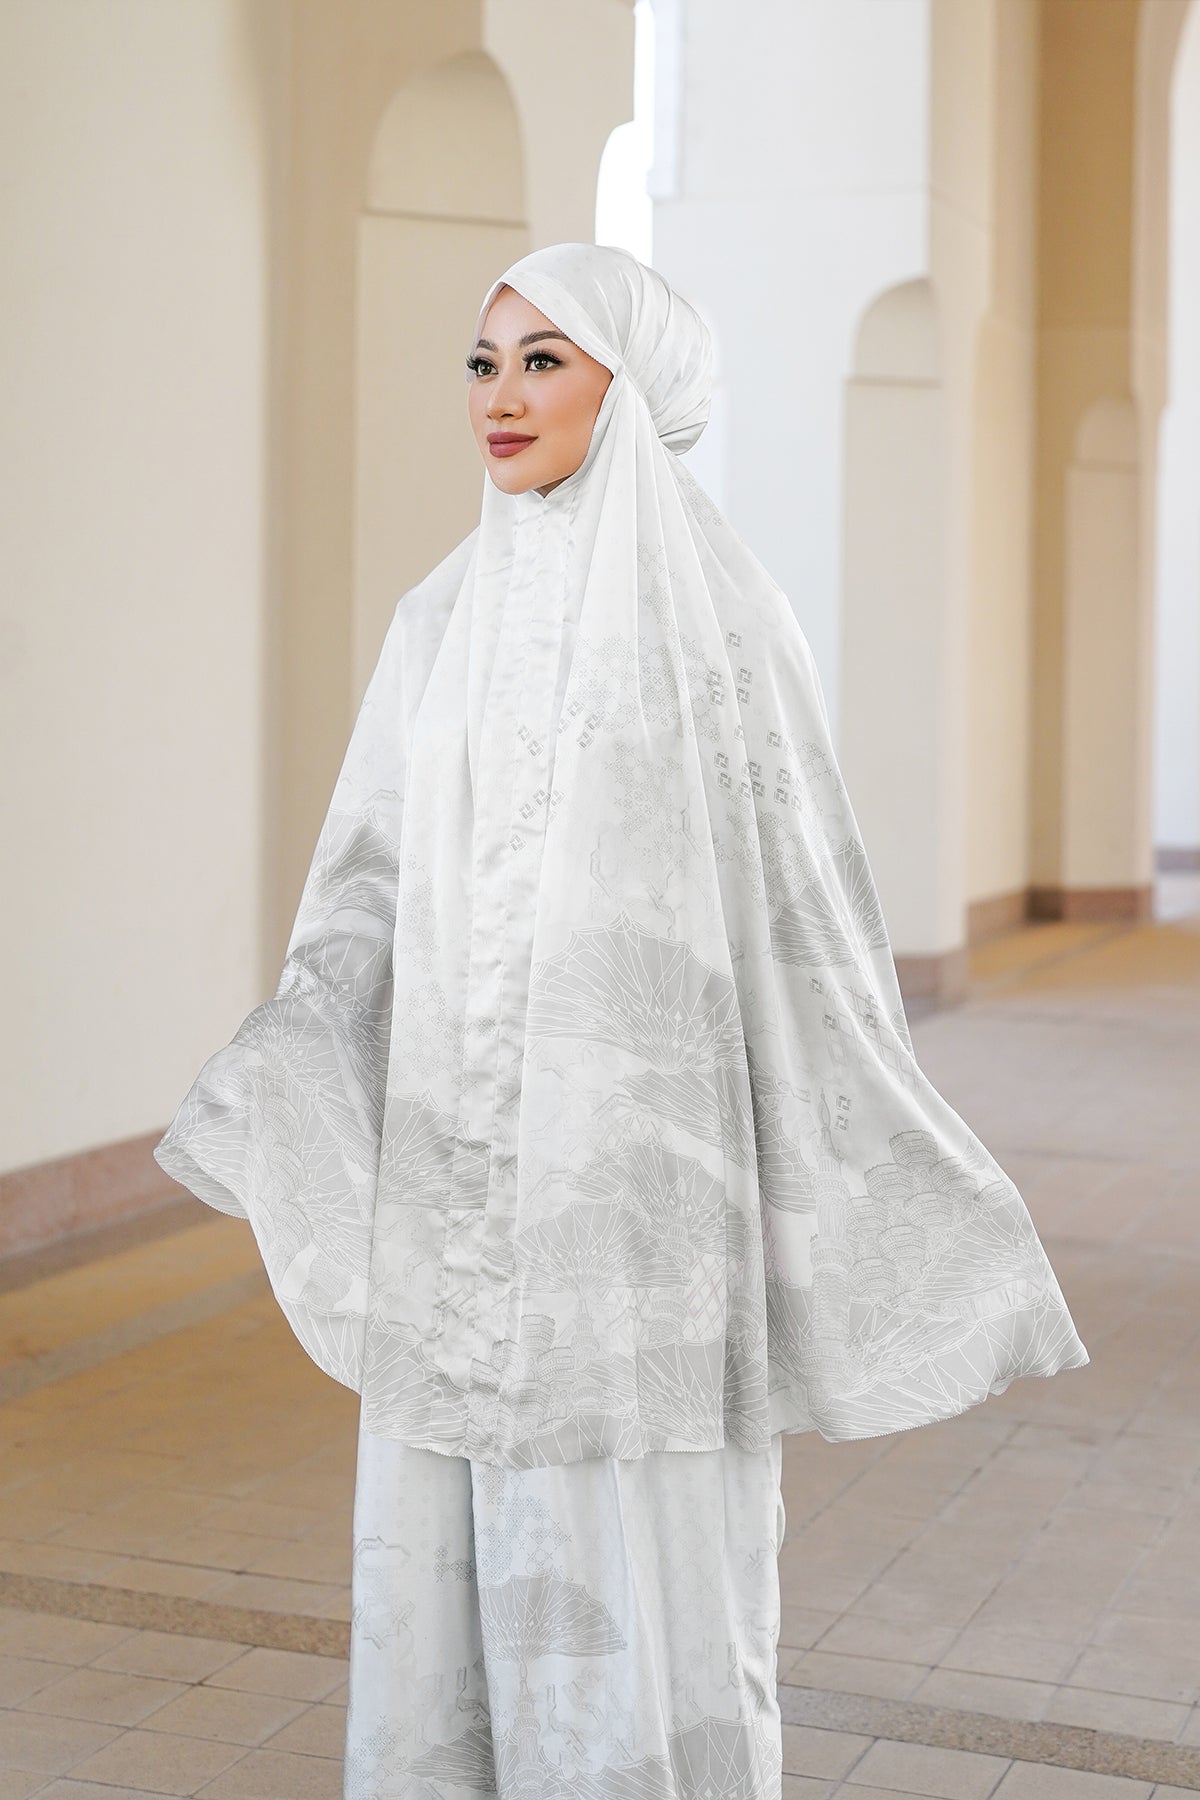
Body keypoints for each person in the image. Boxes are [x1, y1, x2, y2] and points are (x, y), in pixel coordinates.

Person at [154, 242, 1089, 1799]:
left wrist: (870, 1148)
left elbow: (802, 910)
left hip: (637, 1201)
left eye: (546, 360)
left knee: (628, 1552)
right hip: (454, 1176)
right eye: (484, 361)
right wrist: (303, 1037)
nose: (501, 396)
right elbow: (370, 876)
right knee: (451, 1515)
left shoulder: (725, 623)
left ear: (631, 388)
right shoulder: (438, 622)